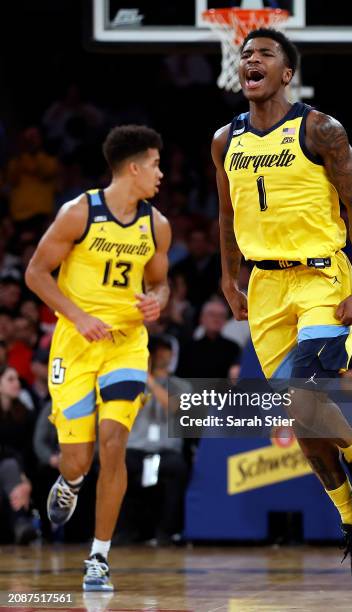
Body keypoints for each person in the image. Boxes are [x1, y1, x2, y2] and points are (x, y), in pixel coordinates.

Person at [212, 28, 352, 592]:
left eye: (264, 55)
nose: (251, 61)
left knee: (303, 394)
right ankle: (350, 523)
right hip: (264, 288)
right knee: (300, 420)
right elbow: (225, 213)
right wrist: (228, 277)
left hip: (320, 279)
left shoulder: (320, 129)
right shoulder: (225, 139)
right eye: (246, 56)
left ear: (288, 73)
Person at [25, 125, 171, 591]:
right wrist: (78, 315)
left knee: (114, 443)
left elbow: (160, 282)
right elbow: (36, 274)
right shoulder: (78, 213)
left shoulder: (157, 225)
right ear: (133, 167)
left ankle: (99, 556)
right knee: (78, 459)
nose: (160, 174)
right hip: (75, 341)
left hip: (126, 344)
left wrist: (159, 300)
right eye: (155, 164)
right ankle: (70, 482)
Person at [120, 335, 190, 545]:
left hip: (166, 449)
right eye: (156, 350)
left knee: (177, 469)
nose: (160, 355)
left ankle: (166, 532)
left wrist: (150, 379)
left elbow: (173, 407)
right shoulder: (132, 383)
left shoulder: (181, 385)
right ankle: (123, 532)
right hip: (136, 448)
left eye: (165, 350)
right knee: (118, 467)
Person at [0, 365, 37, 544]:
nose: (17, 384)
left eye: (18, 380)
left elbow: (29, 452)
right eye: (10, 379)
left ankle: (21, 523)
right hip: (11, 469)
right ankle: (20, 522)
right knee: (9, 465)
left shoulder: (26, 414)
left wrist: (25, 480)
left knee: (11, 468)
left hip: (18, 473)